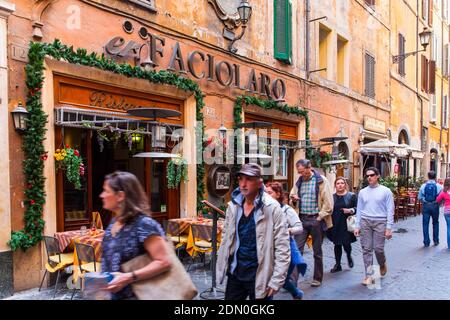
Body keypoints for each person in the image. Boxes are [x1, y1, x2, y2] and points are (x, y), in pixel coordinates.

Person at [216, 163, 290, 300]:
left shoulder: (272, 208)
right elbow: (226, 238)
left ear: (259, 182)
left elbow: (282, 247)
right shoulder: (233, 206)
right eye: (240, 179)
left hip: (260, 274)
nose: (243, 184)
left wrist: (277, 280)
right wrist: (221, 265)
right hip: (236, 272)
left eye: (248, 179)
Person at [100, 171, 172, 300]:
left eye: (106, 191)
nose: (102, 195)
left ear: (120, 195)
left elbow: (164, 261)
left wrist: (129, 277)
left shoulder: (144, 224)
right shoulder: (114, 222)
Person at [289, 159, 333, 287]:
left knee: (317, 251)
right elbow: (292, 198)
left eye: (303, 172)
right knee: (297, 250)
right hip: (301, 219)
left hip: (316, 219)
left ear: (309, 168)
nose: (301, 174)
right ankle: (293, 281)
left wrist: (320, 217)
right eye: (299, 172)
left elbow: (328, 203)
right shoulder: (299, 182)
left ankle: (317, 278)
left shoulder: (321, 181)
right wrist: (294, 200)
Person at [354, 167, 394, 286]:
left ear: (377, 176)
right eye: (367, 176)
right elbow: (359, 209)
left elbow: (390, 210)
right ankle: (369, 275)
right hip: (365, 221)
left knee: (378, 249)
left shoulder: (386, 191)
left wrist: (389, 228)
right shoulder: (362, 192)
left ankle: (382, 263)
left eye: (372, 175)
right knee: (366, 249)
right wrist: (357, 225)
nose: (369, 177)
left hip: (380, 222)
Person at [266, 182, 306, 300]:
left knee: (278, 279)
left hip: (284, 250)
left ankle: (297, 293)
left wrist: (286, 231)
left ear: (278, 194)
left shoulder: (286, 210)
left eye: (269, 193)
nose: (266, 196)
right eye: (265, 193)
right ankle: (297, 293)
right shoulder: (264, 209)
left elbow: (299, 228)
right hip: (269, 250)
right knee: (274, 279)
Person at [327, 177, 357, 273]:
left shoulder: (351, 196)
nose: (340, 185)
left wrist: (350, 210)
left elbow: (358, 208)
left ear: (345, 185)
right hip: (335, 224)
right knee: (337, 244)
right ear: (335, 185)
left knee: (346, 244)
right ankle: (338, 264)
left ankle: (348, 256)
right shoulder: (332, 197)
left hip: (346, 224)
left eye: (342, 183)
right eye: (338, 183)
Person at [418, 171, 443, 247]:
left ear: (428, 177)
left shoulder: (423, 186)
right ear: (435, 177)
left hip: (426, 206)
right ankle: (436, 240)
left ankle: (426, 242)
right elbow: (441, 198)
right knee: (435, 223)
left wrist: (424, 201)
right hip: (435, 206)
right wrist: (438, 204)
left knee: (425, 224)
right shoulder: (439, 186)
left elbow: (419, 197)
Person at [435, 177, 450, 249]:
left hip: (447, 211)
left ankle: (449, 245)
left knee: (449, 227)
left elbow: (437, 200)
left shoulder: (444, 192)